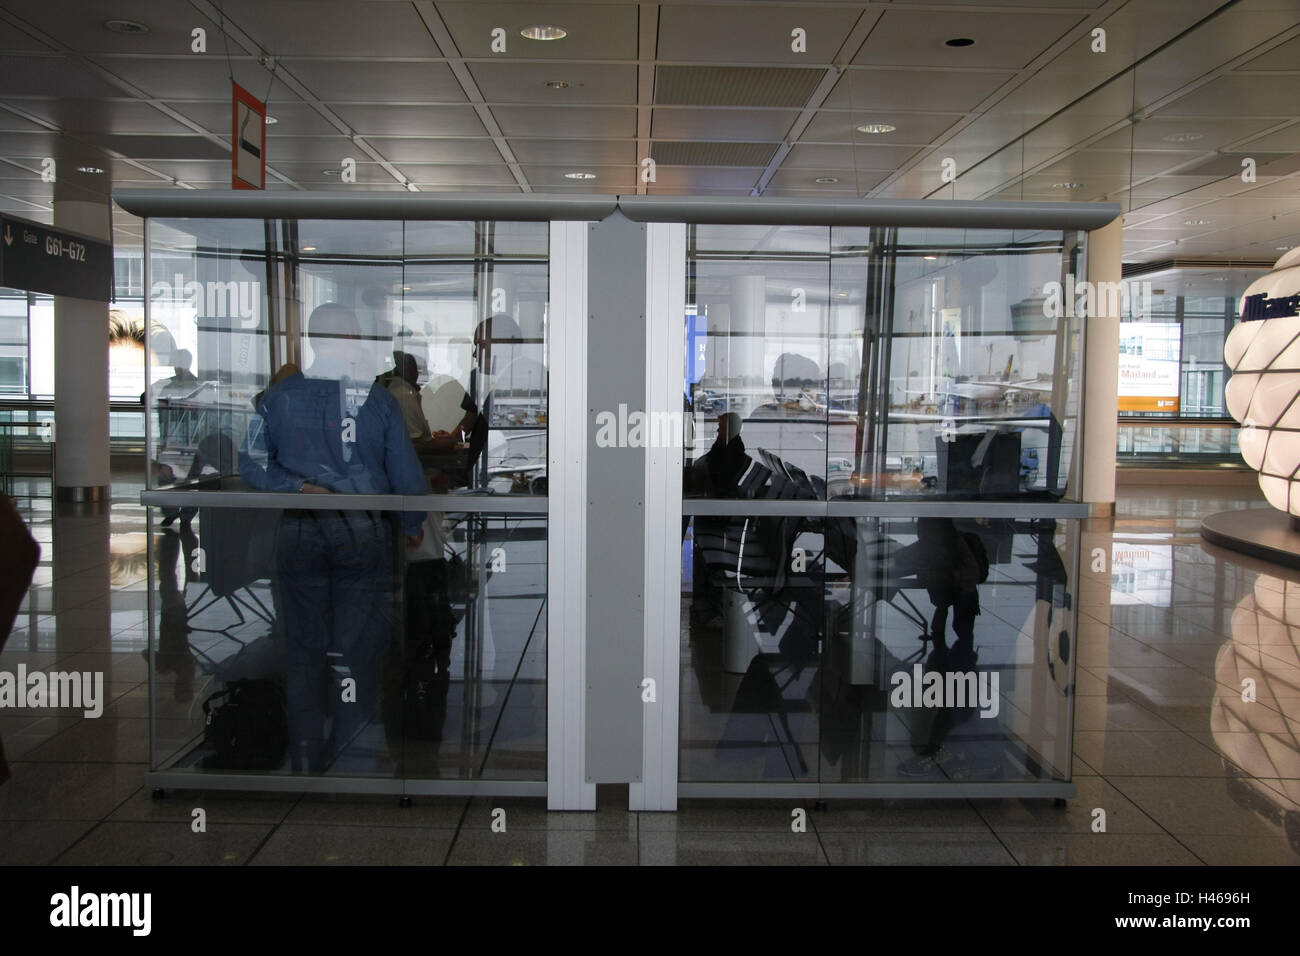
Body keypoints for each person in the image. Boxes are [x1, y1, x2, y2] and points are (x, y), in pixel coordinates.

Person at [240, 303, 427, 773]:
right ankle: (353, 753)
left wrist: (297, 487)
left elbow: (252, 462)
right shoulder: (375, 400)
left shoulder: (279, 398)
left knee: (302, 646)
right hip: (360, 532)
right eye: (357, 335)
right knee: (357, 645)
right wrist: (412, 524)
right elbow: (405, 475)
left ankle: (305, 751)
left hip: (300, 529)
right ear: (346, 340)